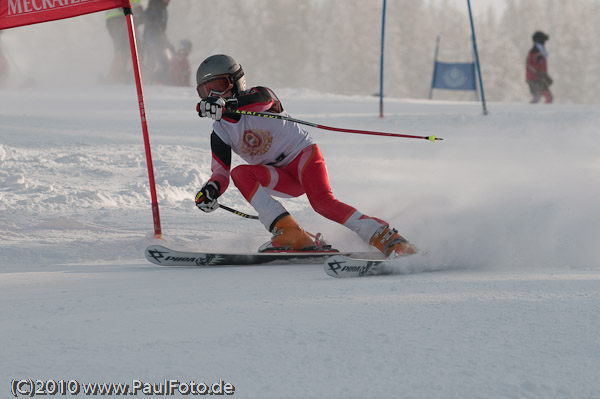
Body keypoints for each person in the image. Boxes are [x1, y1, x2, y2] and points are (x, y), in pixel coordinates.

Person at [193, 54, 418, 258]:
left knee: (323, 203)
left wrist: (227, 104)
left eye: (219, 87)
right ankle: (290, 232)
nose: (213, 96)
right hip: (280, 176)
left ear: (236, 81)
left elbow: (263, 100)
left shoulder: (258, 96)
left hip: (303, 157)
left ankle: (386, 236)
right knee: (240, 173)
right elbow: (220, 173)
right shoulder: (221, 131)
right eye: (206, 92)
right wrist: (211, 190)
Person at [105, 0, 144, 84]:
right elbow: (120, 4)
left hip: (123, 18)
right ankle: (113, 78)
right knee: (122, 50)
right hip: (117, 19)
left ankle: (123, 76)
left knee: (130, 48)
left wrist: (137, 21)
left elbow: (139, 10)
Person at [142, 0, 173, 84]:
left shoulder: (162, 7)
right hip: (152, 37)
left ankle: (152, 80)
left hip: (158, 37)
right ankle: (147, 80)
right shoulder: (155, 4)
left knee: (161, 61)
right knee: (153, 58)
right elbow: (150, 20)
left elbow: (161, 27)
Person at [526, 31, 553, 104]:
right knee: (545, 97)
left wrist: (545, 76)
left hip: (539, 78)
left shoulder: (541, 52)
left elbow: (542, 67)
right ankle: (534, 112)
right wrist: (540, 73)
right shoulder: (534, 52)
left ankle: (536, 112)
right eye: (543, 40)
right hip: (534, 79)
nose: (544, 42)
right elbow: (531, 65)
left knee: (539, 97)